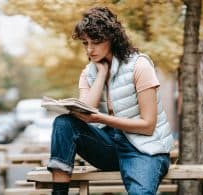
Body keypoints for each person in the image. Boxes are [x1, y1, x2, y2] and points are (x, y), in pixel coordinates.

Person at [48, 7, 174, 195]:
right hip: (109, 147)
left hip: (144, 149)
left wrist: (101, 119)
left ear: (112, 39)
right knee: (64, 123)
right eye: (85, 43)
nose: (90, 50)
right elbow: (86, 110)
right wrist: (101, 74)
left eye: (96, 42)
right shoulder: (88, 73)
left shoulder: (140, 65)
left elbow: (148, 125)